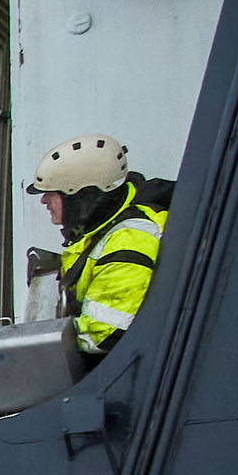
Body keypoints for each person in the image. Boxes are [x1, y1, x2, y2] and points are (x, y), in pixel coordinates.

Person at [29, 133, 171, 366]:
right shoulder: (99, 231)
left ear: (82, 198)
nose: (44, 200)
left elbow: (103, 334)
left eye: (52, 193)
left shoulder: (128, 240)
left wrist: (36, 349)